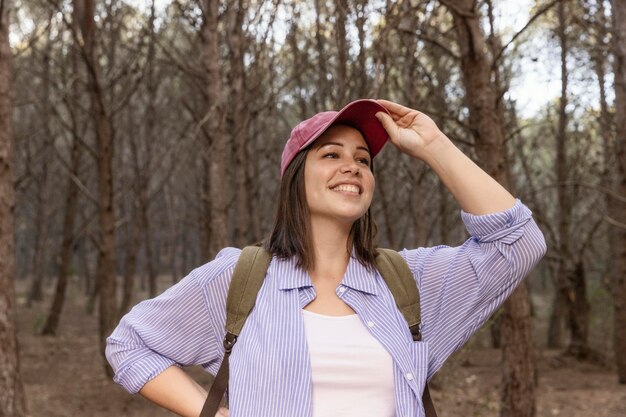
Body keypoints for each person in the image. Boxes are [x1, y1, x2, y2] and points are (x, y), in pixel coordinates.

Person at [106, 99, 547, 417]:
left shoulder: (408, 281)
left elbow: (517, 242)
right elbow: (129, 345)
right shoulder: (238, 278)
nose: (353, 166)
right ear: (296, 178)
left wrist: (433, 145)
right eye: (331, 154)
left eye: (363, 159)